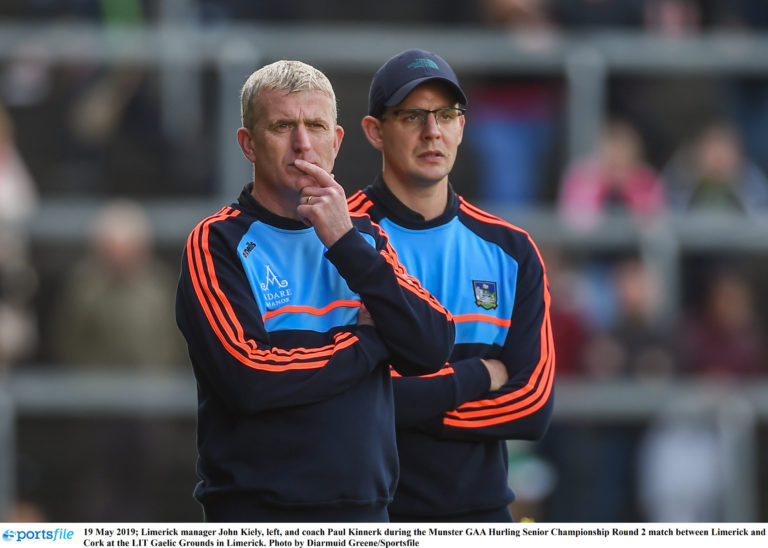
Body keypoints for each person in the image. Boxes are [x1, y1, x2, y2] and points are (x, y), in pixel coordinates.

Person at [175, 60, 455, 523]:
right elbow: (250, 377)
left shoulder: (363, 239)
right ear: (248, 144)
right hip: (257, 516)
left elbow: (431, 346)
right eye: (283, 126)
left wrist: (345, 243)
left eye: (316, 126)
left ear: (337, 141)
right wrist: (366, 344)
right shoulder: (216, 241)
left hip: (368, 515)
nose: (302, 143)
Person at [351, 49, 555, 522]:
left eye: (447, 115)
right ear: (375, 131)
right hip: (371, 515)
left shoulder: (512, 249)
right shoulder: (338, 237)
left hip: (482, 516)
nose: (432, 131)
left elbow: (533, 406)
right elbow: (342, 400)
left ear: (463, 127)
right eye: (412, 116)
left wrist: (410, 408)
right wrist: (479, 377)